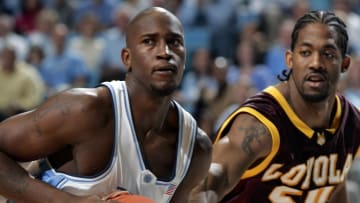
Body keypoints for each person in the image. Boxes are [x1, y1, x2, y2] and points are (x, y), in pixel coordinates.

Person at [0, 6, 212, 203]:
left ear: (185, 57)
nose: (165, 52)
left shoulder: (196, 148)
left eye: (174, 42)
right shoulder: (84, 109)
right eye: (149, 41)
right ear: (127, 58)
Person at [190, 10, 360, 203]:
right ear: (290, 60)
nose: (316, 63)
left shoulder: (351, 123)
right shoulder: (260, 123)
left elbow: (333, 185)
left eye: (328, 54)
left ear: (345, 63)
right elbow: (204, 186)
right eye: (305, 53)